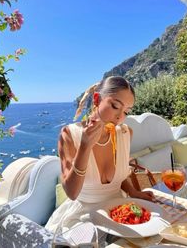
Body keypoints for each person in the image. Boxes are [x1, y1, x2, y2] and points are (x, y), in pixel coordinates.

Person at [45, 76, 155, 243]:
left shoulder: (125, 134)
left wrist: (133, 192)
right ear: (97, 99)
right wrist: (84, 146)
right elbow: (71, 193)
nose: (120, 117)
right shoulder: (69, 134)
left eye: (126, 111)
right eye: (115, 106)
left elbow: (121, 174)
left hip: (119, 212)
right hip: (84, 219)